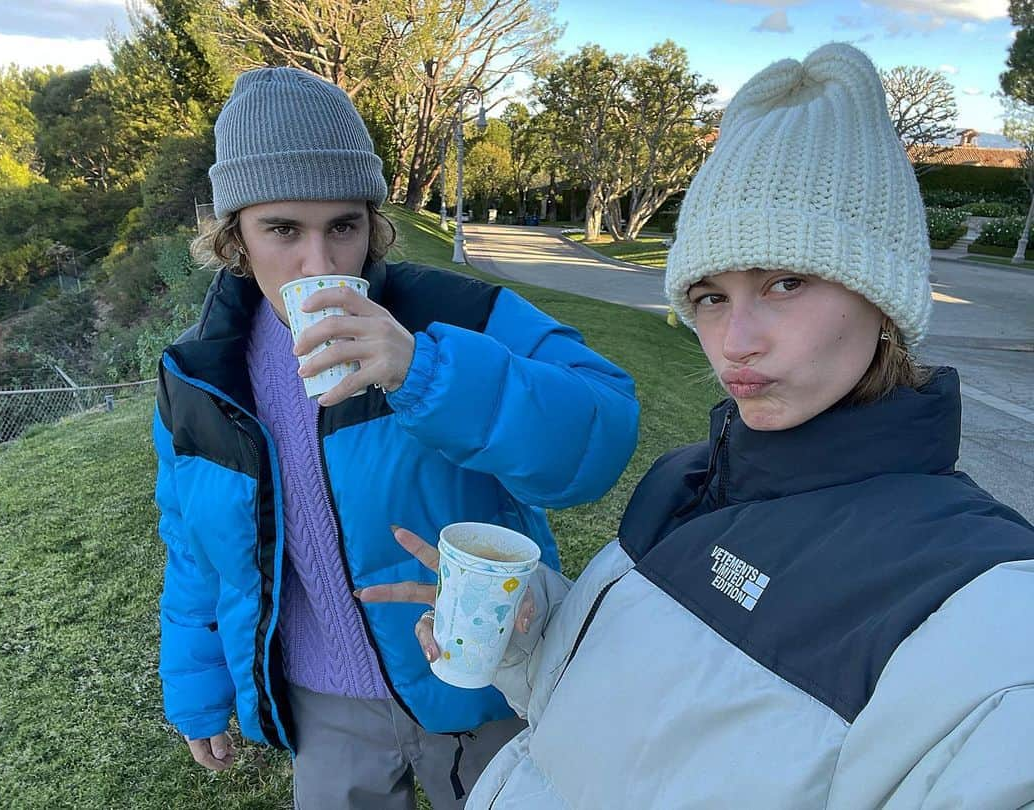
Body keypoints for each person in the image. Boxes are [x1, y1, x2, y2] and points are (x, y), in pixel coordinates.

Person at [364, 43, 1034, 808]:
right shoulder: (687, 479)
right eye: (711, 295)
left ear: (882, 295)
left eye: (786, 282)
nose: (735, 340)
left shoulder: (985, 608)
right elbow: (623, 726)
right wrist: (527, 630)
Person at [150, 66, 639, 809]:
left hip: (480, 678)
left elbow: (603, 433)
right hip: (323, 707)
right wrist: (196, 689)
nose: (320, 264)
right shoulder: (197, 376)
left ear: (372, 225)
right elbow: (190, 546)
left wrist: (427, 372)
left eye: (343, 227)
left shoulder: (456, 315)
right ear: (234, 239)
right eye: (283, 229)